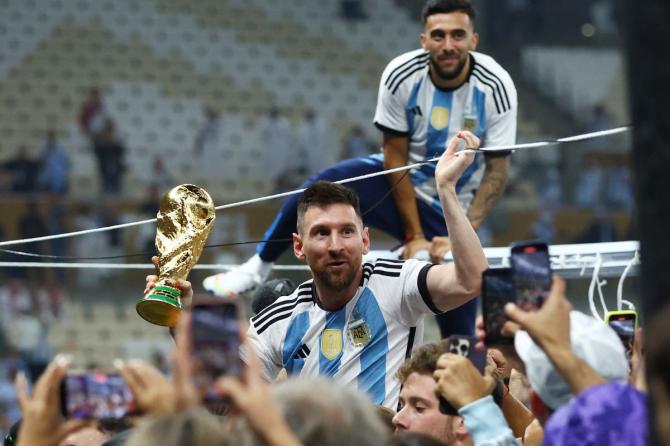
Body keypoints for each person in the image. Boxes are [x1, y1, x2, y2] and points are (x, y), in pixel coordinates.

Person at [203, 0, 516, 338]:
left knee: (460, 327)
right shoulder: (401, 75)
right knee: (317, 190)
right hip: (399, 186)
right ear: (424, 40)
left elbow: (496, 172)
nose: (449, 45)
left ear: (474, 40)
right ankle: (257, 267)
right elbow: (394, 159)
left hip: (452, 204)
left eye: (458, 35)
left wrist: (461, 232)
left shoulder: (496, 85)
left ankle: (462, 369)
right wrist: (415, 236)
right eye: (438, 36)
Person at [245, 131, 488, 409]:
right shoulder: (278, 319)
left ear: (365, 241)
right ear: (299, 247)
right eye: (322, 233)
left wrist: (446, 189)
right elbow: (229, 401)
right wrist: (181, 317)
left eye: (347, 232)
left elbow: (472, 280)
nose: (336, 245)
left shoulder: (397, 284)